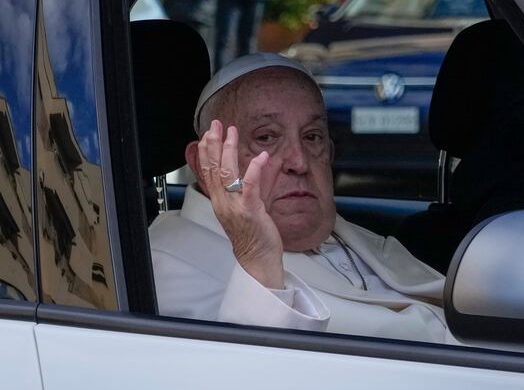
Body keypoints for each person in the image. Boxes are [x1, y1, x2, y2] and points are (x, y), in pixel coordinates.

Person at [149, 54, 457, 341]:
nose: (299, 161)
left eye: (312, 137)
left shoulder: (352, 233)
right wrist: (256, 257)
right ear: (207, 165)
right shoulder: (166, 264)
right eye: (266, 137)